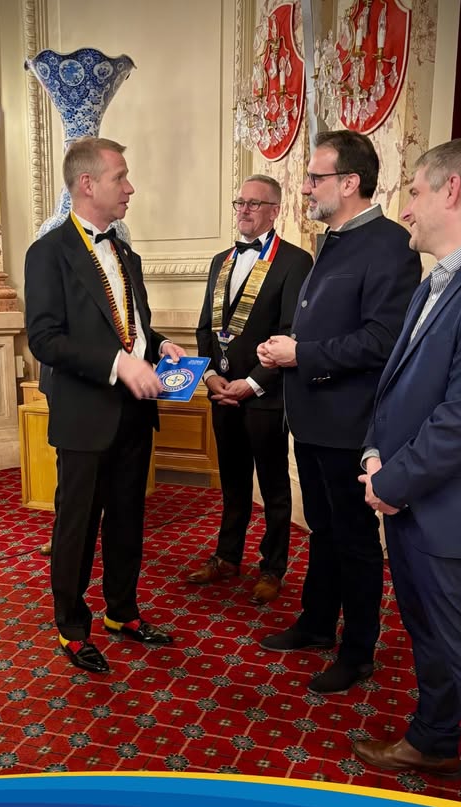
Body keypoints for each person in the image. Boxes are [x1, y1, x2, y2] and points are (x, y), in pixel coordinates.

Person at [352, 137, 461, 807]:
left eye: (414, 191)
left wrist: (390, 483)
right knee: (428, 636)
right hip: (414, 501)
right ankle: (435, 739)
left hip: (456, 510)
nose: (405, 207)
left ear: (452, 190)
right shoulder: (436, 280)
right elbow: (396, 390)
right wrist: (373, 454)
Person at [257, 130, 421, 694]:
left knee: (354, 539)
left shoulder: (390, 244)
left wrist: (301, 354)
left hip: (350, 423)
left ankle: (358, 652)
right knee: (323, 530)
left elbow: (383, 339)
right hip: (312, 417)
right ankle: (317, 623)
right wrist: (286, 349)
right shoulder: (334, 239)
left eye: (315, 177)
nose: (305, 187)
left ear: (349, 182)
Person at [24, 136, 185, 674]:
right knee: (77, 526)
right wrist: (119, 363)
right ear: (88, 184)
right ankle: (71, 628)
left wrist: (160, 345)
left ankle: (122, 610)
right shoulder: (48, 253)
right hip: (85, 414)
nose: (130, 188)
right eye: (121, 177)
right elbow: (45, 339)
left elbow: (131, 328)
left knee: (128, 519)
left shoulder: (126, 253)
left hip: (135, 411)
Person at [187, 175, 312, 604]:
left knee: (274, 487)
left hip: (265, 395)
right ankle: (227, 556)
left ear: (275, 210)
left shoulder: (295, 261)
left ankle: (273, 567)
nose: (243, 209)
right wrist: (210, 377)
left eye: (254, 204)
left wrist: (253, 382)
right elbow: (205, 327)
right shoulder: (220, 260)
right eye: (239, 201)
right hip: (221, 391)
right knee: (233, 483)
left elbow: (291, 332)